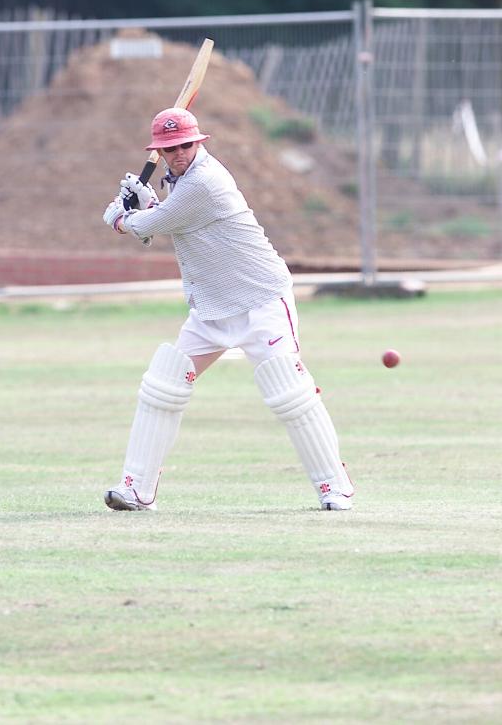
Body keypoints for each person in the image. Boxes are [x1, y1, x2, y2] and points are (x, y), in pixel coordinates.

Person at [102, 107, 354, 512]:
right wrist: (148, 201)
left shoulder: (205, 181)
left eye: (185, 145)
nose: (179, 153)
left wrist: (122, 216)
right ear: (160, 152)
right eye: (171, 148)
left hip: (260, 300)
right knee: (162, 384)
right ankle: (136, 489)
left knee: (289, 392)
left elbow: (152, 225)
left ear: (197, 143)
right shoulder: (179, 181)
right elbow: (169, 217)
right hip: (212, 308)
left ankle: (333, 487)